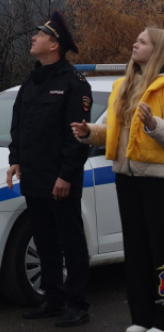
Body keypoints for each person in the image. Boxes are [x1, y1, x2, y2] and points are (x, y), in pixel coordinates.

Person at [72, 27, 164, 332]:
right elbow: (117, 134)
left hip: (157, 180)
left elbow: (153, 130)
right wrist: (91, 133)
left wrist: (154, 125)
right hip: (125, 177)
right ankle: (141, 319)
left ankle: (161, 321)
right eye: (135, 40)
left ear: (157, 49)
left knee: (160, 252)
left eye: (142, 41)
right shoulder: (122, 86)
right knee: (135, 251)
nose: (134, 45)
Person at [7, 11, 92, 327]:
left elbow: (77, 136)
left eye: (39, 35)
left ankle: (77, 304)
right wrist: (14, 159)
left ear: (54, 45)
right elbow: (18, 124)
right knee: (44, 241)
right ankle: (52, 298)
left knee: (71, 241)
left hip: (60, 178)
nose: (33, 38)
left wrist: (66, 175)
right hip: (33, 174)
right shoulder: (31, 80)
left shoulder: (73, 83)